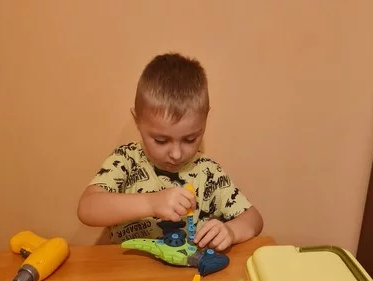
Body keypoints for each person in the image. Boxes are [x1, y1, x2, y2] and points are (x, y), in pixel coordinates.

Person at [77, 52, 263, 251]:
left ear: (205, 120)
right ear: (137, 121)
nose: (176, 154)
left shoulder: (208, 172)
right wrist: (150, 203)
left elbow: (254, 219)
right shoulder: (126, 160)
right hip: (129, 268)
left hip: (189, 267)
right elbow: (87, 208)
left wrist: (231, 231)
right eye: (161, 140)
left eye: (190, 139)